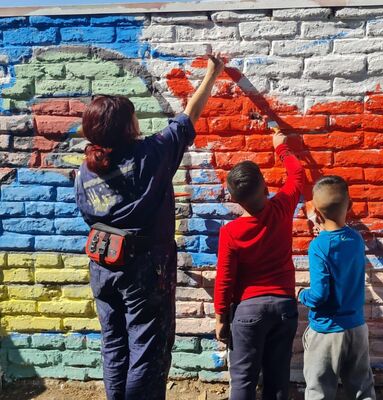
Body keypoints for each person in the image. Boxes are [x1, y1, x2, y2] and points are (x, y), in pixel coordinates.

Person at [75, 55, 225, 400]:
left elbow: (87, 215)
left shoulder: (85, 171)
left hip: (102, 264)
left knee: (114, 345)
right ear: (128, 127)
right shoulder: (151, 155)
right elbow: (189, 117)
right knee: (147, 348)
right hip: (144, 267)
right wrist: (212, 74)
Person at [213, 126, 305, 400]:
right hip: (285, 308)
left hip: (248, 312)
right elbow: (297, 176)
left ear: (233, 198)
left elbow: (225, 279)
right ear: (265, 187)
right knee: (277, 382)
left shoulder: (230, 232)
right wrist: (282, 147)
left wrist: (220, 318)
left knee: (243, 380)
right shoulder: (282, 208)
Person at [298, 175, 375, 400]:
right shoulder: (356, 239)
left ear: (317, 214)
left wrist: (302, 295)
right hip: (357, 328)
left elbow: (320, 295)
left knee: (319, 391)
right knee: (362, 390)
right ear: (349, 206)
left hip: (326, 331)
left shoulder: (318, 246)